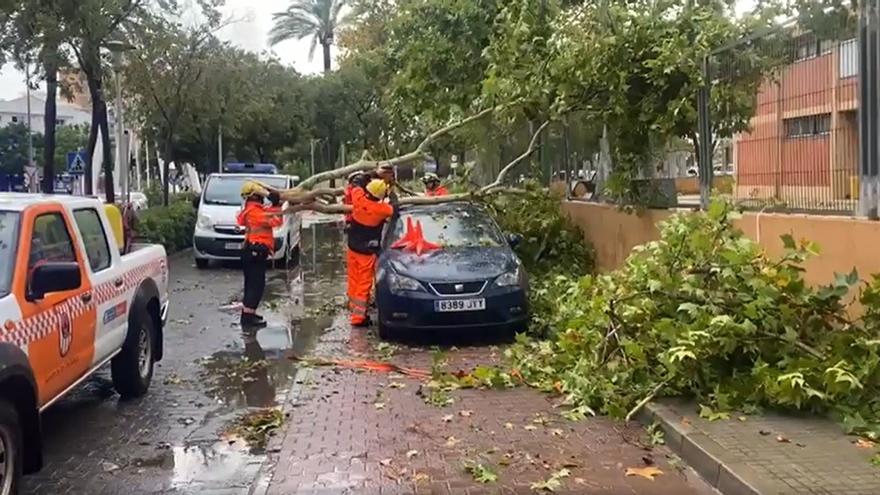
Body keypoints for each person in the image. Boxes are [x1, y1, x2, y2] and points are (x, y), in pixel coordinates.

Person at [347, 179, 397, 327]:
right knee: (363, 283)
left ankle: (352, 307)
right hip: (366, 252)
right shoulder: (381, 209)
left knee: (353, 279)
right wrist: (392, 193)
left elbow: (356, 185)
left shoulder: (358, 198)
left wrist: (369, 177)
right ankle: (358, 317)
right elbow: (395, 208)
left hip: (352, 248)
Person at [237, 181, 283, 328]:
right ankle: (248, 320)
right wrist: (276, 205)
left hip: (251, 252)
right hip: (255, 253)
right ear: (256, 196)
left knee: (251, 285)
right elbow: (275, 221)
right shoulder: (255, 212)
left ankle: (248, 314)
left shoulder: (251, 210)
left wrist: (274, 203)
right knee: (256, 286)